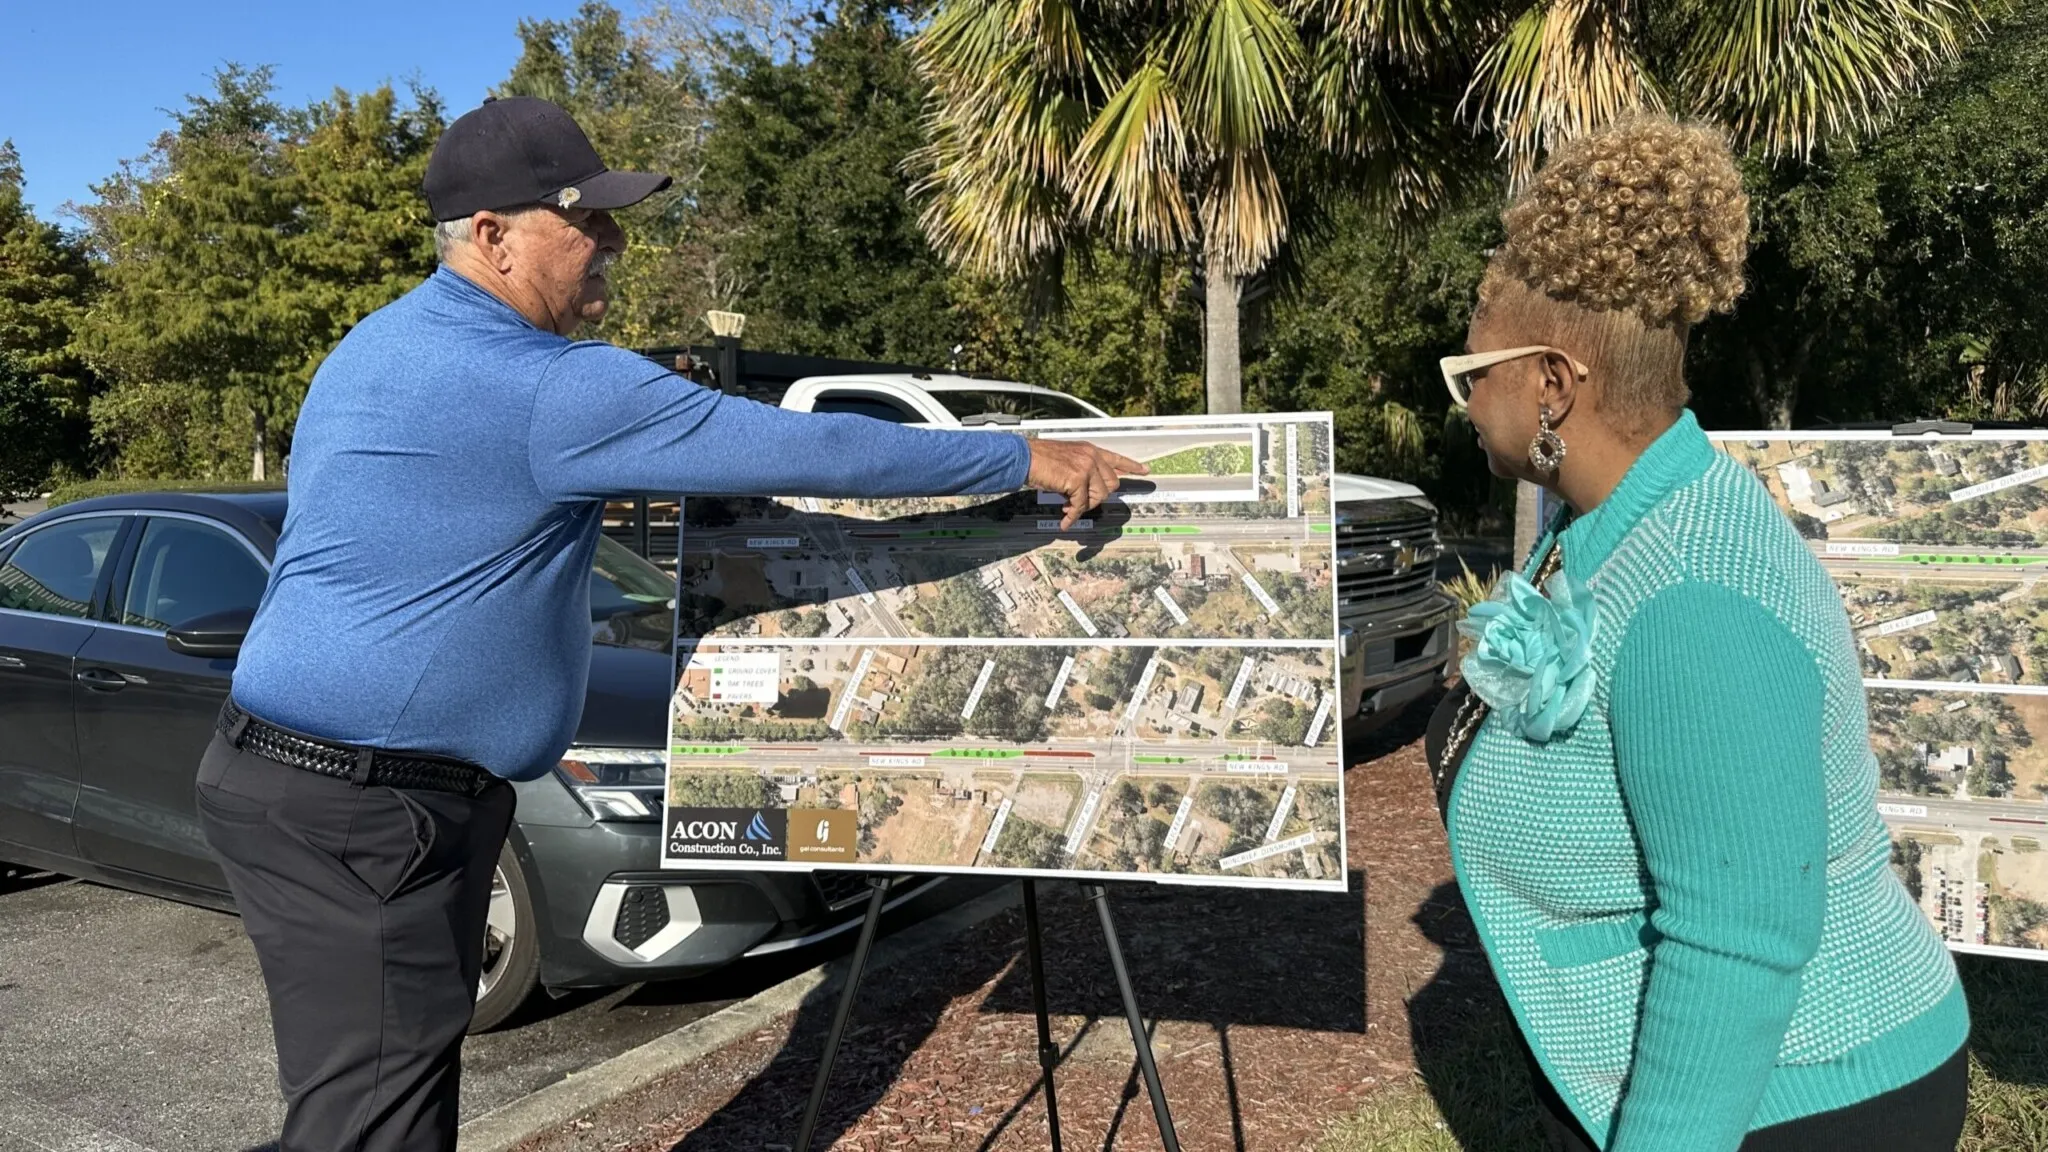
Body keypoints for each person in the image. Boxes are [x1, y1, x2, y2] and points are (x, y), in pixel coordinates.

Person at [193, 95, 1145, 1152]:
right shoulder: (546, 385)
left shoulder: (373, 346)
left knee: (367, 1092)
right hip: (370, 810)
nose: (613, 242)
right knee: (373, 1122)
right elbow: (814, 454)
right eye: (584, 219)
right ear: (494, 238)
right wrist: (1015, 455)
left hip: (303, 787)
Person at [1425, 115, 1969, 1152]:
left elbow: (1734, 941)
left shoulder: (1693, 592)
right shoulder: (1609, 525)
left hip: (1801, 1100)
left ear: (1549, 381)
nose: (1462, 401)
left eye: (1471, 372)